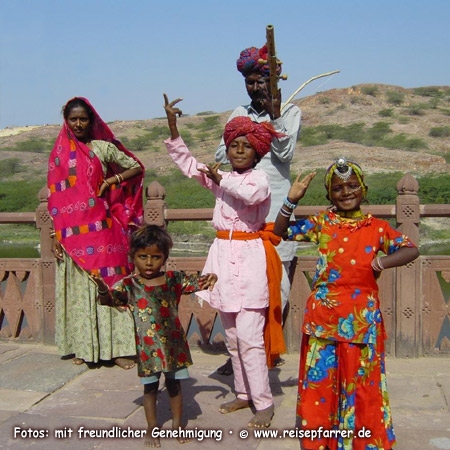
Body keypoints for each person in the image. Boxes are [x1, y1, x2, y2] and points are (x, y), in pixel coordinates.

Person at [273, 158, 419, 450]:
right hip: (323, 322)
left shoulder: (377, 228)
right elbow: (280, 233)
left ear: (363, 189)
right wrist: (291, 200)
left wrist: (381, 260)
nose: (346, 192)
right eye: (338, 188)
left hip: (361, 323)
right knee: (321, 385)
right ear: (329, 195)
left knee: (361, 387)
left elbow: (411, 249)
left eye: (353, 185)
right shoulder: (321, 223)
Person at [163, 93, 285, 428]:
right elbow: (189, 166)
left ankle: (263, 402)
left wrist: (221, 179)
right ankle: (244, 394)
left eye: (247, 146)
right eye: (234, 145)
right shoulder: (220, 178)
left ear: (257, 151)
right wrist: (174, 129)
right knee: (232, 338)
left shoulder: (258, 179)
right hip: (222, 259)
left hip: (249, 260)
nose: (240, 150)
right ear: (227, 149)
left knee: (250, 338)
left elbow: (250, 195)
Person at [215, 44, 301, 372]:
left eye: (262, 81)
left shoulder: (290, 112)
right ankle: (240, 351)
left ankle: (269, 351)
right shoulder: (238, 112)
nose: (255, 88)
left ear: (275, 81)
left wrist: (274, 117)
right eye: (250, 82)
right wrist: (247, 139)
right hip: (241, 216)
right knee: (240, 284)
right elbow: (222, 156)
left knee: (277, 284)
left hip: (276, 212)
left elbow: (285, 154)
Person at [92, 225, 217, 447]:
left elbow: (199, 283)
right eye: (143, 257)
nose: (149, 262)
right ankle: (152, 426)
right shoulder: (129, 285)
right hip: (148, 349)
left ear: (165, 258)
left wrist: (211, 277)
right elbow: (110, 300)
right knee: (150, 388)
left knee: (174, 385)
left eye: (155, 257)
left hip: (174, 346)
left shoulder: (173, 280)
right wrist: (102, 289)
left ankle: (177, 425)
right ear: (133, 257)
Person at [47, 97, 144, 368]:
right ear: (66, 121)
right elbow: (56, 198)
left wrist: (113, 180)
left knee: (112, 286)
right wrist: (55, 235)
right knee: (82, 292)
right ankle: (84, 345)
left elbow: (136, 166)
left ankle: (121, 349)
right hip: (70, 236)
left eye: (83, 119)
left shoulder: (102, 148)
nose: (78, 124)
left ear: (92, 121)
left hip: (104, 232)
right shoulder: (59, 155)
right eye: (73, 119)